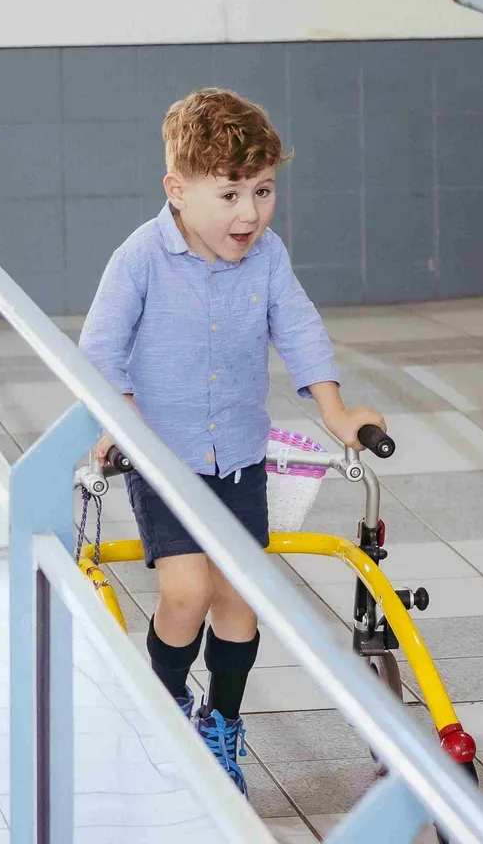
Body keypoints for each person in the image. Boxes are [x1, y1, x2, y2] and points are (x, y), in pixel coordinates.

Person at [80, 88, 385, 794]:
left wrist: (337, 416)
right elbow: (99, 349)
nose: (249, 213)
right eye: (229, 194)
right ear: (177, 190)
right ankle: (160, 710)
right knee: (185, 592)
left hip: (239, 458)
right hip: (162, 459)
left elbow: (301, 333)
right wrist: (115, 422)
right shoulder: (141, 258)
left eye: (264, 190)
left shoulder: (268, 256)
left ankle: (221, 727)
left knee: (242, 600)